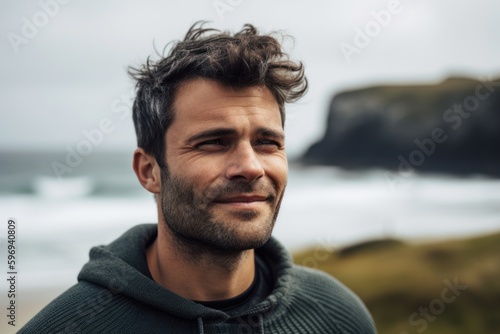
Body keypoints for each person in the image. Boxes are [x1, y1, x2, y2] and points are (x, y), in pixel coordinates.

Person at [20, 22, 377, 334]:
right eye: (214, 143)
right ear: (149, 171)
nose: (251, 167)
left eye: (267, 142)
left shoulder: (339, 316)